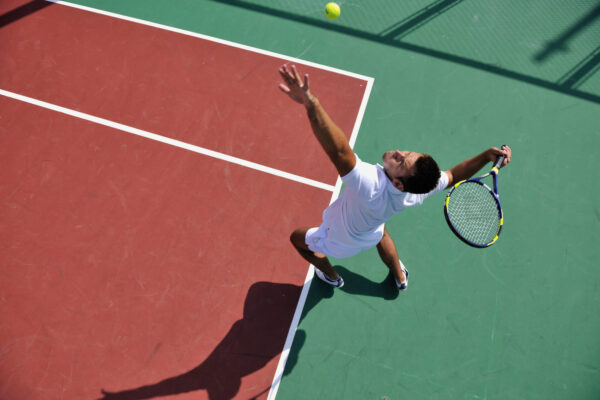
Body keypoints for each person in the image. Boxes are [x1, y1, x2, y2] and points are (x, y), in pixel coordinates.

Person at [278, 64, 511, 291]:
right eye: (407, 153)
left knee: (297, 239)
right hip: (371, 232)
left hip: (339, 240)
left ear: (398, 182)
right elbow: (452, 175)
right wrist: (485, 156)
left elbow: (340, 151)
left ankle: (331, 275)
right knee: (382, 232)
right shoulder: (420, 188)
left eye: (401, 161)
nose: (399, 153)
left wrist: (311, 102)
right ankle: (400, 277)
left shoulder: (371, 184)